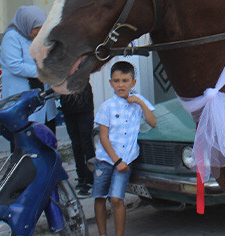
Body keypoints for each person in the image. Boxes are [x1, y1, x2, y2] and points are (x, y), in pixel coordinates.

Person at [93, 61, 156, 236]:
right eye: (116, 81)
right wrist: (117, 161)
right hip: (106, 159)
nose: (121, 85)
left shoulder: (138, 101)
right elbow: (103, 138)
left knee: (116, 198)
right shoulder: (106, 107)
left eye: (125, 80)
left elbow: (153, 121)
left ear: (133, 83)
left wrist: (141, 103)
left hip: (126, 159)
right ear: (111, 83)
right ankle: (102, 233)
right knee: (100, 197)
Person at [0, 6, 57, 131]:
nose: (39, 32)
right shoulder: (12, 37)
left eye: (42, 28)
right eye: (36, 28)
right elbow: (15, 65)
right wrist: (43, 72)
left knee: (47, 136)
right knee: (26, 138)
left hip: (42, 96)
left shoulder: (41, 38)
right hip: (23, 99)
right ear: (26, 24)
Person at [61, 81, 95, 198]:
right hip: (67, 99)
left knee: (86, 141)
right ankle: (81, 176)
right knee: (75, 143)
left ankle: (91, 179)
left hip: (83, 98)